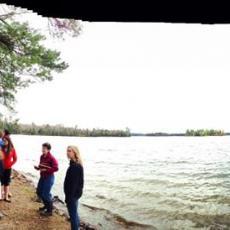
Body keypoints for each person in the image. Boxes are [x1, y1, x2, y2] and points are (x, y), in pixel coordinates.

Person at [34, 142, 58, 216]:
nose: (43, 150)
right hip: (42, 177)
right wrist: (38, 168)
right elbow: (41, 165)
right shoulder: (42, 156)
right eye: (42, 148)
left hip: (49, 178)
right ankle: (46, 205)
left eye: (44, 148)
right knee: (39, 192)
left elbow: (56, 168)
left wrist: (46, 170)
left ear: (48, 150)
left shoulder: (52, 158)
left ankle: (49, 211)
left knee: (45, 194)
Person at [64, 146, 84, 230]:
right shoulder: (74, 164)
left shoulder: (75, 166)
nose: (67, 153)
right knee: (74, 213)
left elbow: (74, 184)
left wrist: (69, 198)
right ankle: (78, 227)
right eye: (67, 151)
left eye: (69, 151)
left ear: (75, 153)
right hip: (74, 195)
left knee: (73, 216)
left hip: (72, 195)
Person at [0, 130, 17, 202]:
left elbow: (15, 159)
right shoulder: (1, 149)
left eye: (5, 140)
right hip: (1, 168)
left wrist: (11, 164)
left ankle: (6, 197)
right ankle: (0, 196)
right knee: (1, 182)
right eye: (3, 140)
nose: (4, 142)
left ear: (8, 141)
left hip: (8, 168)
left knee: (7, 183)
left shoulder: (12, 149)